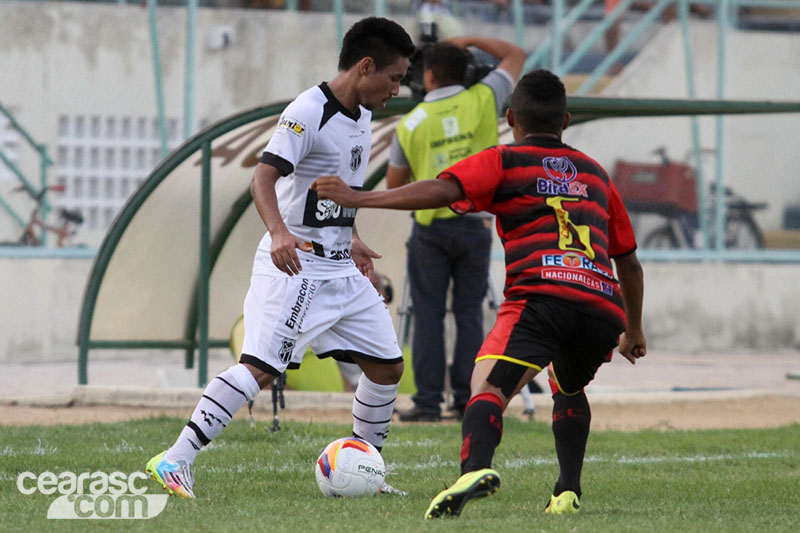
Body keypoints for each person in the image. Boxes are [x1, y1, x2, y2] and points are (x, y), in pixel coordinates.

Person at [311, 69, 647, 517]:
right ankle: (567, 491)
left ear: (511, 117)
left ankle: (475, 468)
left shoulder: (504, 160)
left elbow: (442, 189)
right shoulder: (597, 176)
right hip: (601, 308)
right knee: (567, 385)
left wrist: (359, 198)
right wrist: (634, 329)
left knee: (486, 387)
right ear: (565, 121)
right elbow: (628, 260)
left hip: (541, 295)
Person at [145, 17, 415, 499]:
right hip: (296, 267)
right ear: (366, 66)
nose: (397, 89)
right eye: (394, 78)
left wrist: (350, 237)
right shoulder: (308, 110)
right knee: (261, 369)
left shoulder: (363, 115)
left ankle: (366, 472)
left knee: (387, 366)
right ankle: (174, 460)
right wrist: (278, 233)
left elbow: (334, 190)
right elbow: (263, 178)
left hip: (338, 266)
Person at [387, 36, 525, 422]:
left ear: (427, 76)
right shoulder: (483, 97)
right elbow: (516, 53)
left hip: (429, 229)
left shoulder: (411, 123)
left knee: (428, 314)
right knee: (469, 314)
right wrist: (467, 39)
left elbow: (393, 187)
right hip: (475, 223)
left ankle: (428, 402)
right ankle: (468, 398)